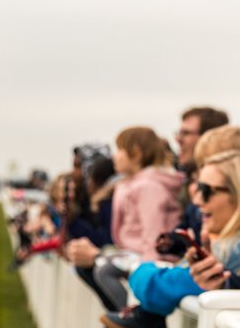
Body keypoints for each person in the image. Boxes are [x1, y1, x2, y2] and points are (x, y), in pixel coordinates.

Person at [104, 143, 240, 328]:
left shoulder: (237, 255)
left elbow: (149, 285)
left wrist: (142, 269)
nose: (196, 200)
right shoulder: (237, 250)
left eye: (206, 190)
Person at [64, 127, 184, 303]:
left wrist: (149, 272)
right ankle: (119, 319)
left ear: (136, 154)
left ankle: (131, 317)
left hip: (150, 258)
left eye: (120, 150)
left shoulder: (149, 188)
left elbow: (154, 235)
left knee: (105, 270)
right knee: (87, 265)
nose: (115, 156)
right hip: (132, 253)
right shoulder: (134, 185)